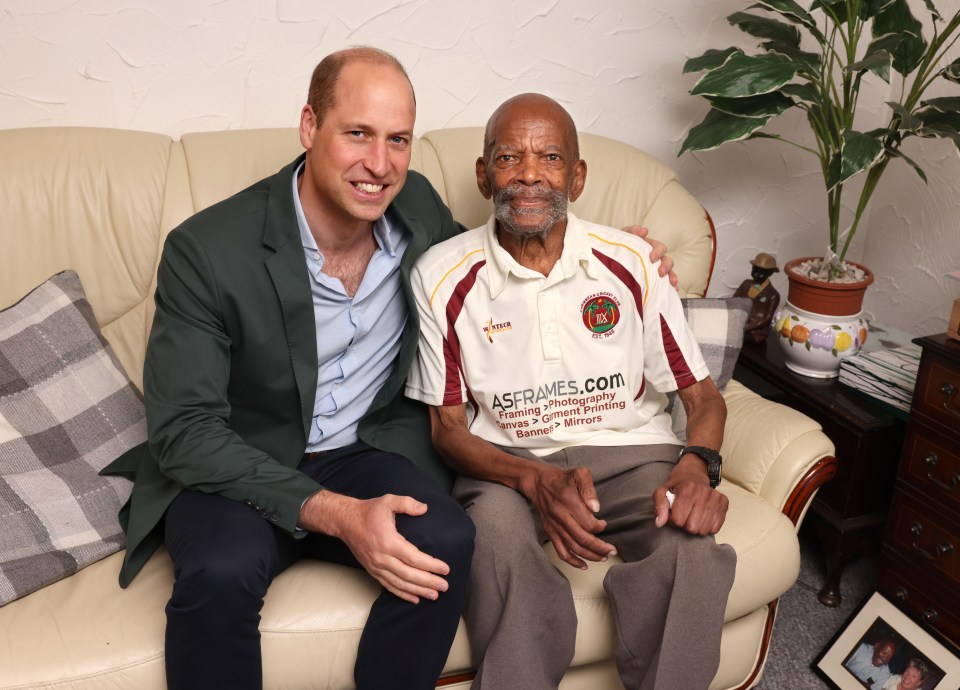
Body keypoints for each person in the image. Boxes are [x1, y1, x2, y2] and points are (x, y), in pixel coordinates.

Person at [102, 49, 676, 689]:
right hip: (237, 460)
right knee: (222, 571)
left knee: (450, 539)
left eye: (397, 140)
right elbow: (185, 430)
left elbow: (494, 265)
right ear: (309, 127)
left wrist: (611, 253)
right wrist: (337, 514)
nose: (379, 165)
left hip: (360, 449)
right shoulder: (205, 250)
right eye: (357, 134)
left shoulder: (417, 210)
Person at [405, 93, 737, 689]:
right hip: (505, 466)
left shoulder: (634, 263)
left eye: (550, 157)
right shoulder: (441, 275)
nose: (529, 174)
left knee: (690, 549)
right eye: (508, 157)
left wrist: (697, 463)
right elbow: (447, 431)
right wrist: (533, 479)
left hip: (632, 458)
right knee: (499, 544)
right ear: (484, 176)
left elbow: (703, 397)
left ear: (576, 177)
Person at [733, 251, 780, 342]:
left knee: (736, 338)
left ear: (770, 273)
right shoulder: (746, 284)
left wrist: (745, 327)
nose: (756, 273)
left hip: (755, 330)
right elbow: (734, 300)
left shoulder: (773, 295)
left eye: (761, 272)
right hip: (738, 321)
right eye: (754, 269)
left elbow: (766, 318)